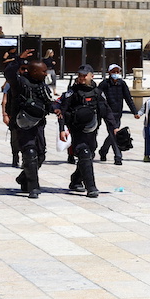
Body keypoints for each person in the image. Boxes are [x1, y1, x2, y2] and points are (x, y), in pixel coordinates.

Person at [6, 50, 61, 199]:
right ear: (34, 71)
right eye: (43, 71)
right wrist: (18, 60)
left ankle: (24, 178)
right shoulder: (20, 83)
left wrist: (55, 108)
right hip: (23, 124)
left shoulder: (41, 85)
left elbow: (47, 102)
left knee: (40, 155)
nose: (45, 74)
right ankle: (33, 187)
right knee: (29, 153)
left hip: (38, 124)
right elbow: (9, 73)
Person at [59, 64, 118, 199]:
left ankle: (75, 180)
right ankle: (91, 187)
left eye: (85, 75)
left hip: (92, 130)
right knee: (84, 153)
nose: (82, 78)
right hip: (77, 130)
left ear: (92, 76)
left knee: (89, 154)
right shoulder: (72, 93)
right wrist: (62, 129)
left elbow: (107, 111)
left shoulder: (97, 93)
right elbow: (62, 111)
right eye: (79, 75)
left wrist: (114, 127)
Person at [98, 63, 140, 165]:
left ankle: (103, 150)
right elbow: (97, 96)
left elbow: (128, 98)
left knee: (113, 133)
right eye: (114, 72)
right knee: (114, 133)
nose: (116, 74)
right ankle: (118, 156)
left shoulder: (122, 84)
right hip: (108, 113)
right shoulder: (104, 84)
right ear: (109, 73)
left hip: (118, 113)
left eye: (117, 72)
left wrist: (134, 112)